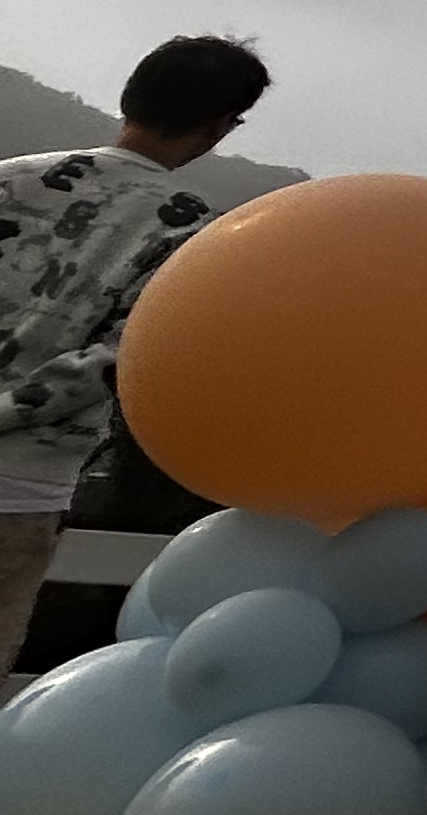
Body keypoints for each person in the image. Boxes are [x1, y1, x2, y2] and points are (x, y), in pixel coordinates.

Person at [0, 36, 265, 666]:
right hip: (21, 488)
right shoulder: (191, 232)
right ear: (219, 126)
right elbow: (117, 359)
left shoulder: (11, 179)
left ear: (129, 97)